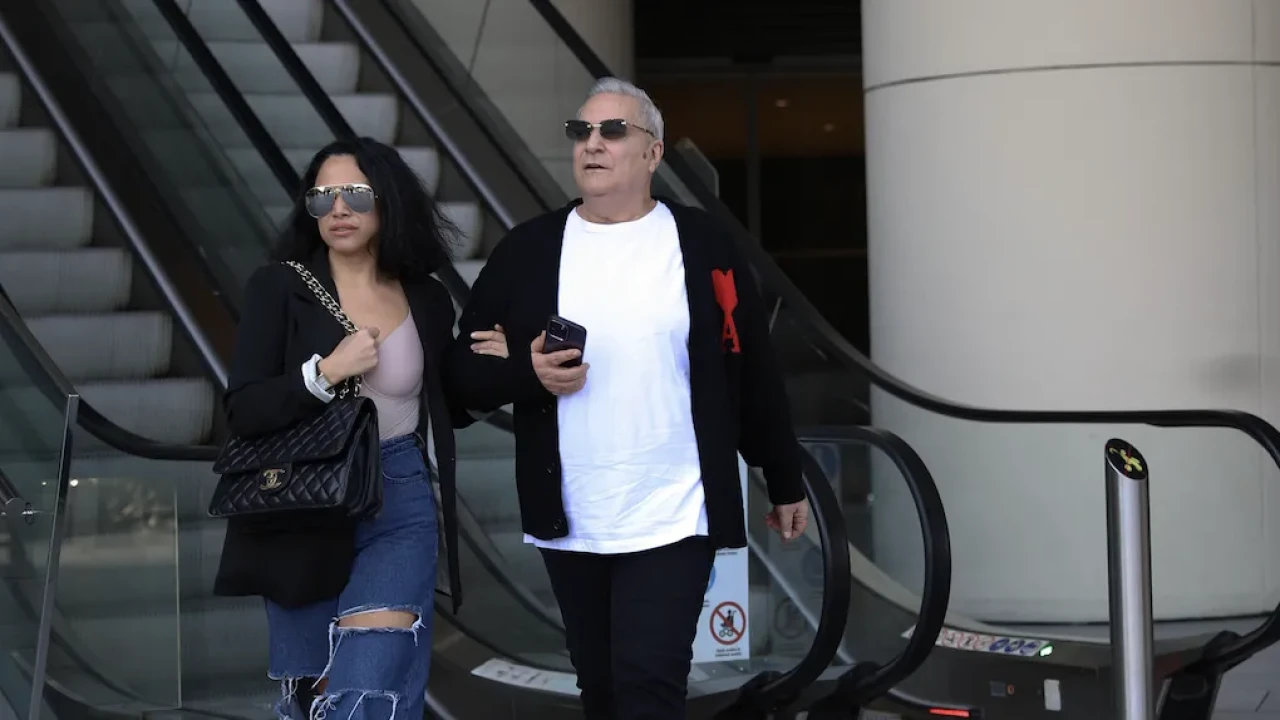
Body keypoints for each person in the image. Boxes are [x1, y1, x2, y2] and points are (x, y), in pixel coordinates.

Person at [447, 77, 811, 719]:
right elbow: (460, 378)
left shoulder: (702, 243)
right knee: (602, 690)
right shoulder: (529, 250)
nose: (592, 143)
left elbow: (750, 366)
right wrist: (527, 373)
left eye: (613, 131)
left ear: (653, 153)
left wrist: (782, 477)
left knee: (649, 687)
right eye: (580, 131)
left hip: (675, 507)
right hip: (573, 513)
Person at [212, 137, 487, 720]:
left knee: (366, 685)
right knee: (315, 693)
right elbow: (244, 409)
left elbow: (454, 404)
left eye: (356, 195)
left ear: (388, 200)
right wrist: (325, 373)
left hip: (399, 497)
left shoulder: (426, 298)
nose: (338, 209)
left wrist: (505, 369)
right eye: (323, 198)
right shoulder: (279, 287)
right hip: (302, 502)